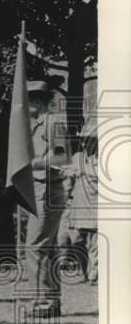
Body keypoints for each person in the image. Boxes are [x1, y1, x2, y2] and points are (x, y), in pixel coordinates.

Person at [24, 81, 69, 317]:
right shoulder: (35, 125)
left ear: (38, 101)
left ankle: (41, 301)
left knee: (35, 247)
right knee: (47, 248)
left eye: (29, 99)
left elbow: (62, 158)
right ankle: (51, 301)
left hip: (48, 189)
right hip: (39, 189)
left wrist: (37, 164)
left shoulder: (53, 122)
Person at [63, 119, 98, 284]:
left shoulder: (102, 160)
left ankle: (94, 275)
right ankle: (86, 271)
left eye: (90, 139)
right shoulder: (76, 158)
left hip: (96, 207)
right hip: (78, 208)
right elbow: (68, 182)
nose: (86, 142)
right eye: (84, 139)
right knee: (76, 240)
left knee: (95, 245)